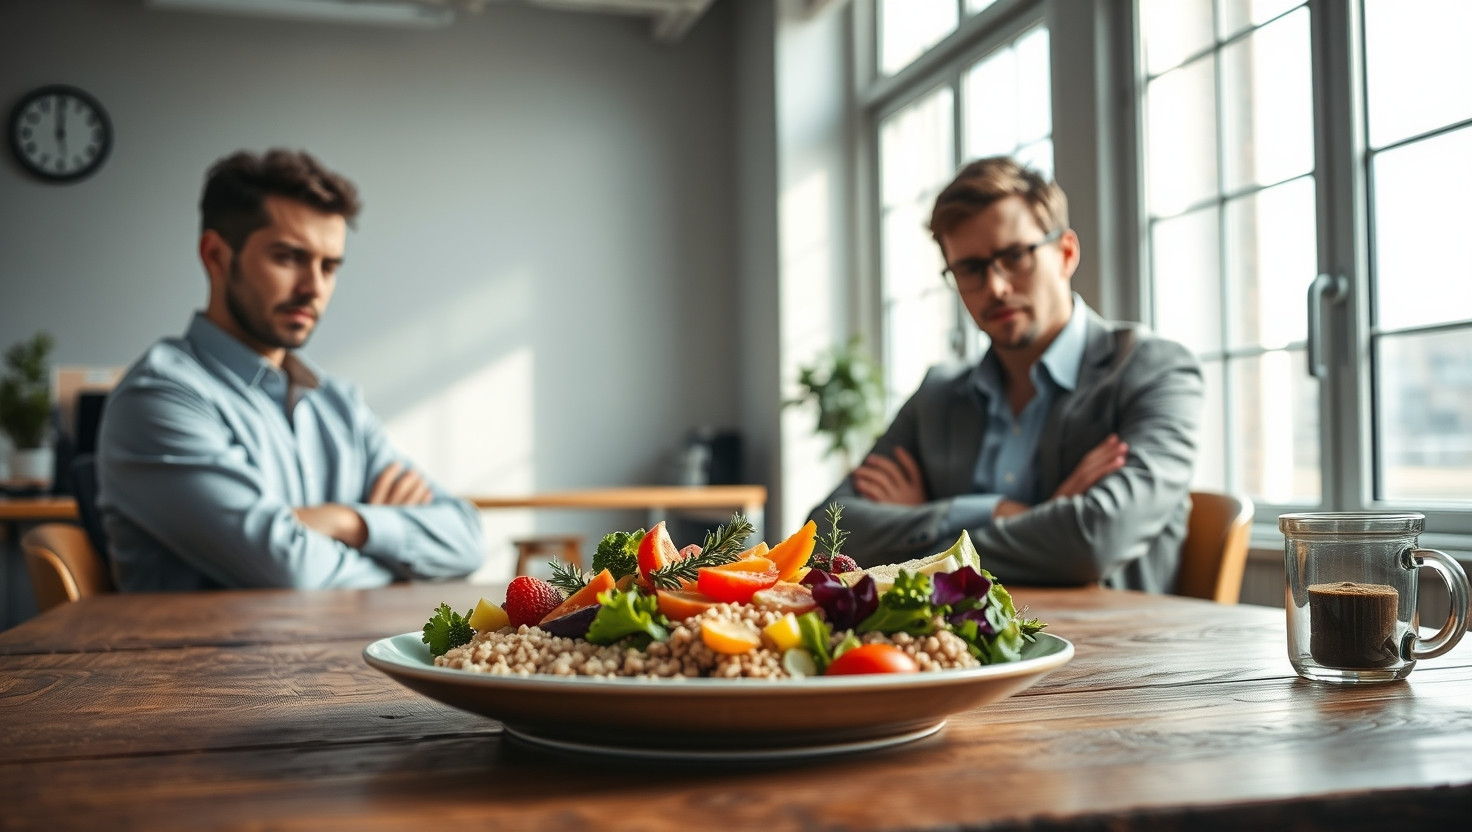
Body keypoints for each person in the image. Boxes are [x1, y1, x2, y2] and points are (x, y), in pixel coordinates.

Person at [97, 149, 484, 591]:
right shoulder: (157, 399)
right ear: (217, 256)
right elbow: (289, 569)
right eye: (288, 258)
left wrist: (348, 522)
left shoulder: (338, 404)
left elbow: (467, 540)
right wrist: (400, 564)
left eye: (329, 266)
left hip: (337, 654)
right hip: (203, 661)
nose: (313, 288)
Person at [811, 157, 1202, 592]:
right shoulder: (937, 395)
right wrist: (1004, 513)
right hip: (956, 651)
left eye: (1015, 256)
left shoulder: (1153, 370)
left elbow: (1092, 539)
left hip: (1112, 651)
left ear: (1066, 253)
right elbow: (825, 531)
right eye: (970, 269)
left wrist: (930, 525)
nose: (995, 286)